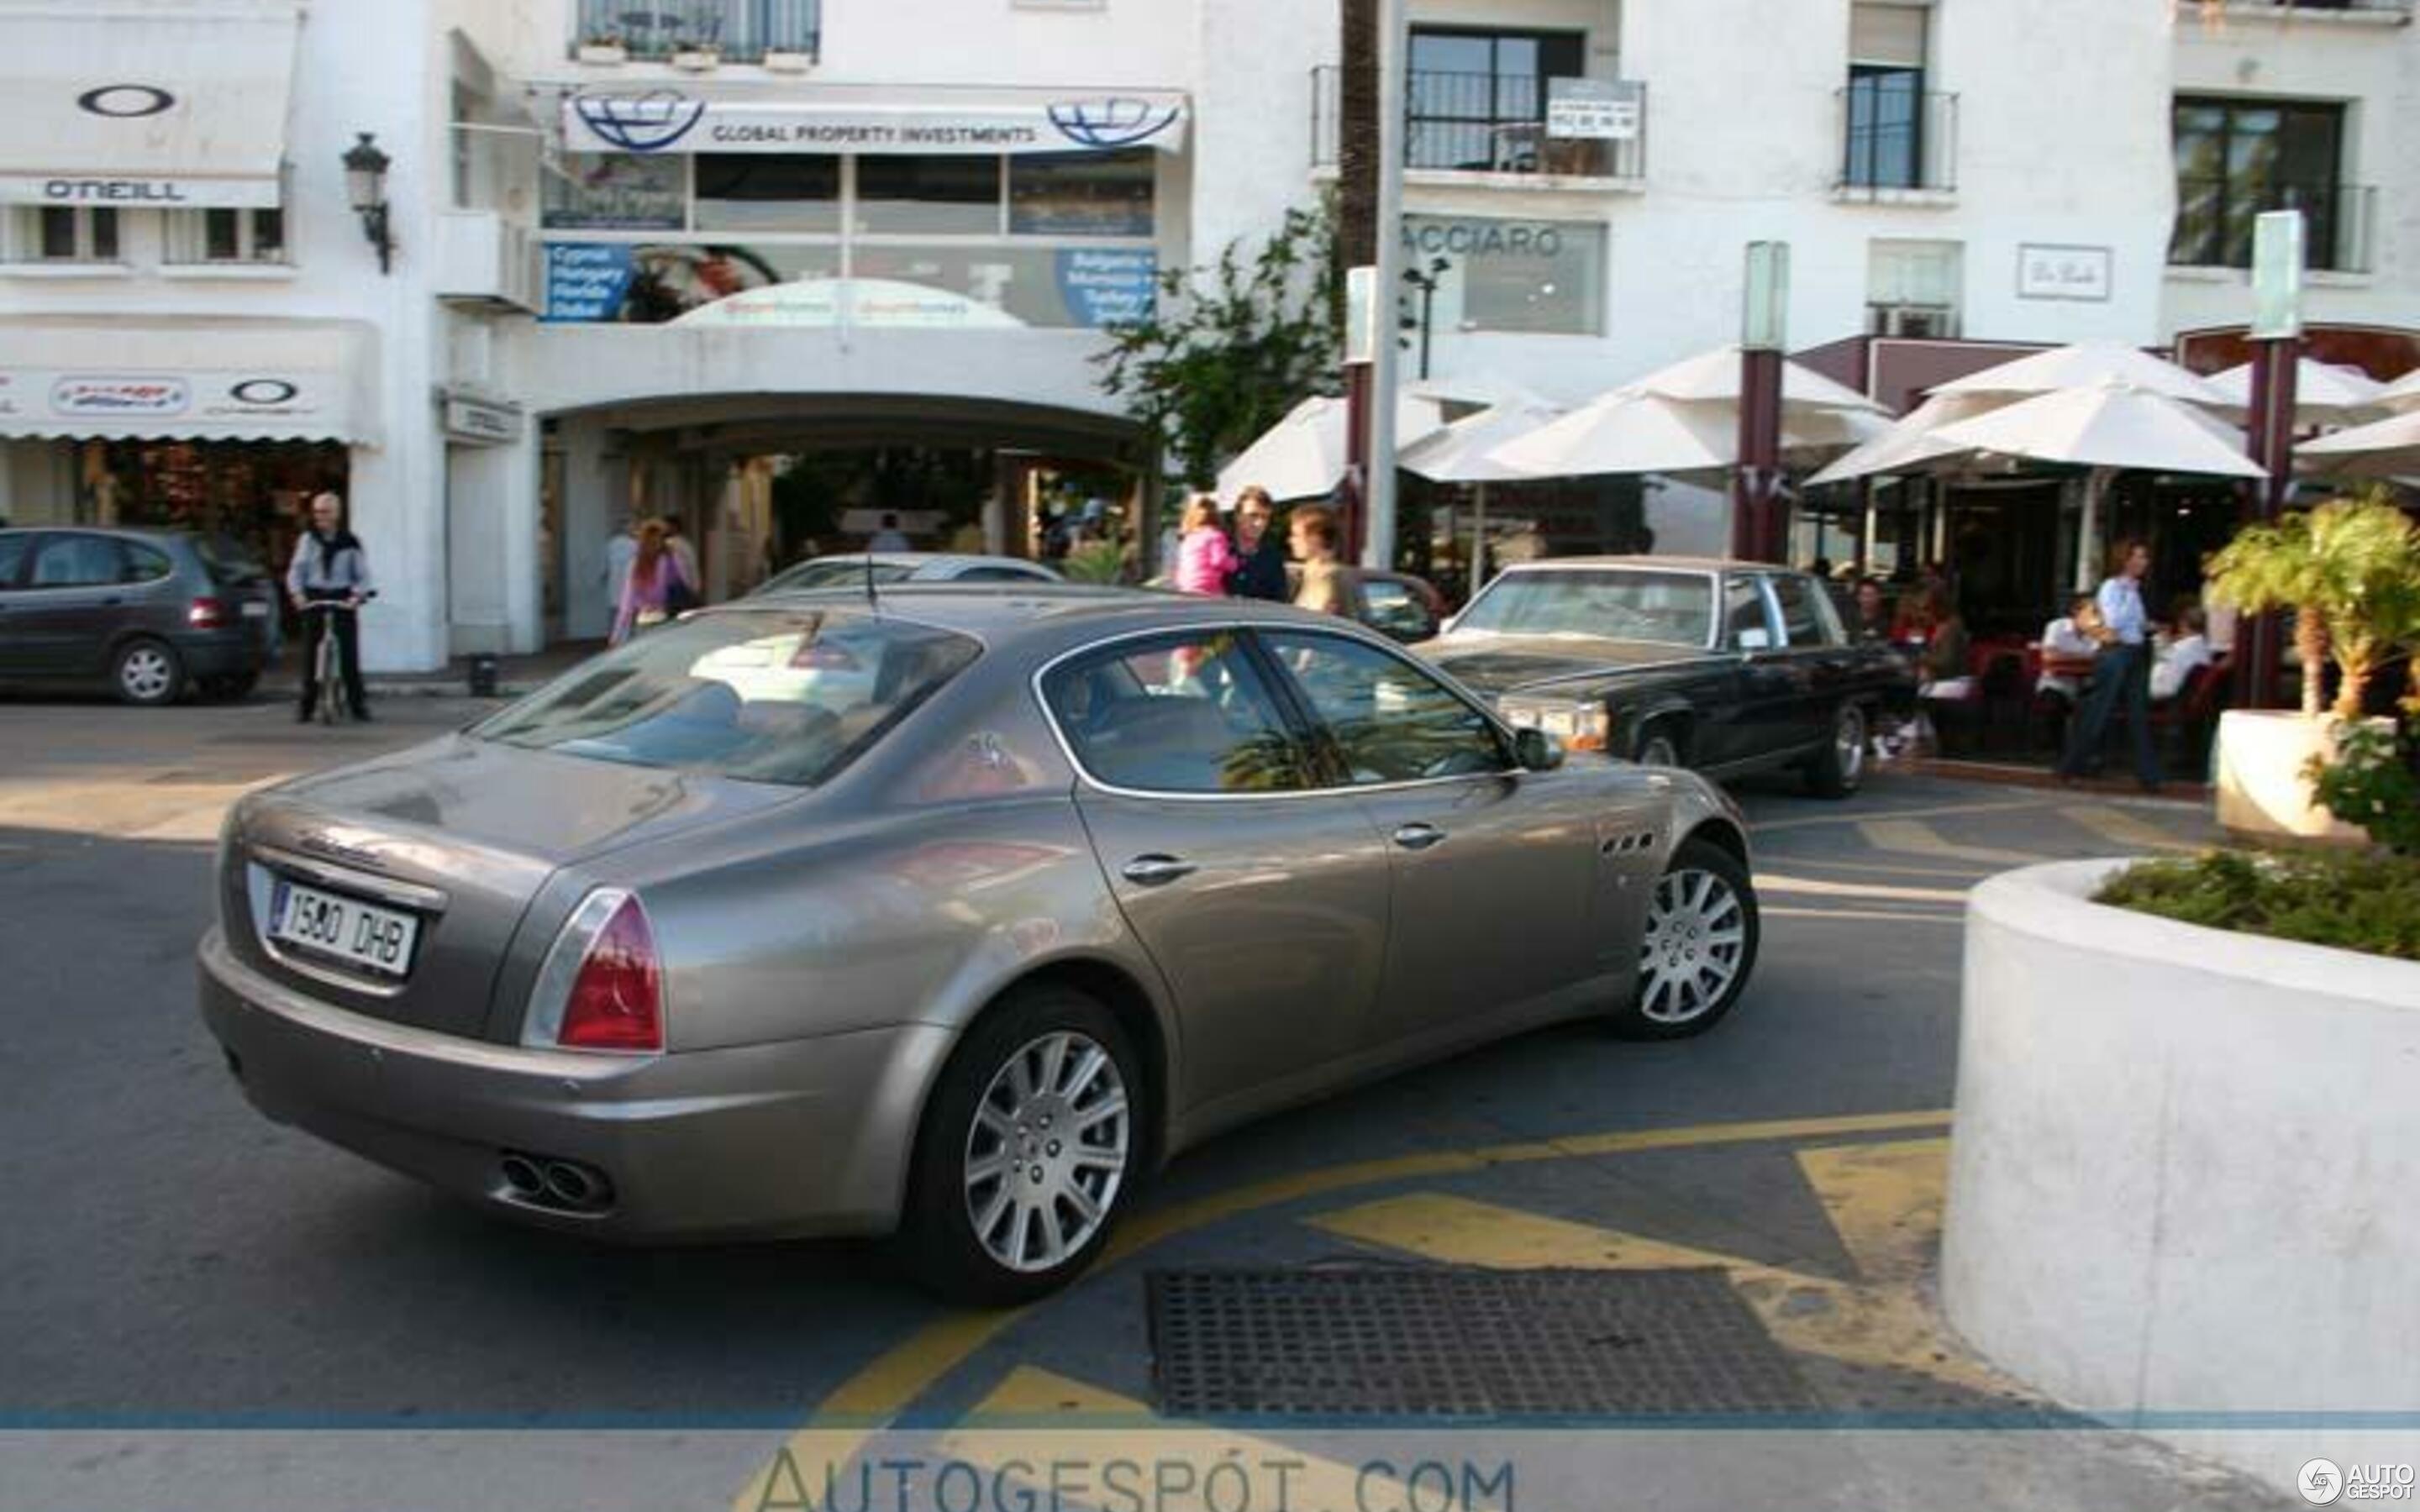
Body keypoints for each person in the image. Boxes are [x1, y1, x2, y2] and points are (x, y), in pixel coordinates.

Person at [2059, 538, 2161, 791]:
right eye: (2138, 556)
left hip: (2135, 652)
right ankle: (2072, 765)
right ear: (2125, 560)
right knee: (2099, 711)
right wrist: (2127, 593)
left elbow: (2136, 623)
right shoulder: (2112, 587)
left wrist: (2149, 626)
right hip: (2114, 654)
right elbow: (2113, 621)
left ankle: (2149, 776)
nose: (2144, 562)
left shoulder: (2135, 589)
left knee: (2139, 714)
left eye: (2145, 557)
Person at [286, 491, 372, 722]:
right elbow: (296, 570)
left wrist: (356, 596)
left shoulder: (350, 542)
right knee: (310, 655)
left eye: (324, 511)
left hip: (342, 599)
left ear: (337, 514)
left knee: (349, 656)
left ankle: (358, 706)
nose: (319, 516)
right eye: (316, 512)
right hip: (314, 598)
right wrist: (297, 594)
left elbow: (363, 576)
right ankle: (307, 706)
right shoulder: (308, 540)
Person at [612, 519, 691, 645]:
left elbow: (627, 605)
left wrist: (616, 636)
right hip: (668, 621)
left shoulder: (636, 565)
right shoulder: (671, 561)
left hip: (644, 623)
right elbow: (684, 587)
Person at [1289, 503, 1365, 620]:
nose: (1291, 541)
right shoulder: (1304, 575)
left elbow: (1352, 624)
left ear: (1316, 538)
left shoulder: (1337, 577)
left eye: (1296, 535)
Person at [2037, 593, 2102, 704]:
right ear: (2076, 611)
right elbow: (2050, 657)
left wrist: (2067, 657)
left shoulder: (2097, 632)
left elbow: (2101, 660)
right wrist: (2086, 659)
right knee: (2053, 703)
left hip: (2087, 687)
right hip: (2055, 685)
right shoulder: (2057, 627)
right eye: (2093, 612)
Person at [1227, 486, 1288, 602]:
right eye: (1253, 515)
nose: (1259, 523)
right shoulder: (1218, 549)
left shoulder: (1272, 558)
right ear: (1237, 516)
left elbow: (1280, 604)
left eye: (1265, 517)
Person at [1171, 492, 1236, 596]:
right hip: (1207, 586)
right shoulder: (1216, 536)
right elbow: (1219, 561)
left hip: (1186, 585)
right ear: (1217, 518)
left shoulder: (1188, 538)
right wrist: (1233, 563)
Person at [2151, 604, 2214, 702]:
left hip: (2166, 701)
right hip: (2184, 700)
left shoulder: (2178, 649)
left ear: (2183, 624)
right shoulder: (2206, 649)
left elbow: (2161, 688)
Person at [603, 517, 639, 626]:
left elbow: (606, 567)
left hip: (614, 584)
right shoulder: (634, 545)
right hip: (630, 583)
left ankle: (616, 638)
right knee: (630, 615)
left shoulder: (610, 544)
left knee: (615, 614)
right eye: (632, 527)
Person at [1849, 576, 1891, 643]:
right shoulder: (1847, 618)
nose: (1868, 599)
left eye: (1872, 595)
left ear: (1879, 597)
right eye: (1864, 595)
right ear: (1858, 597)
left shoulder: (1886, 620)